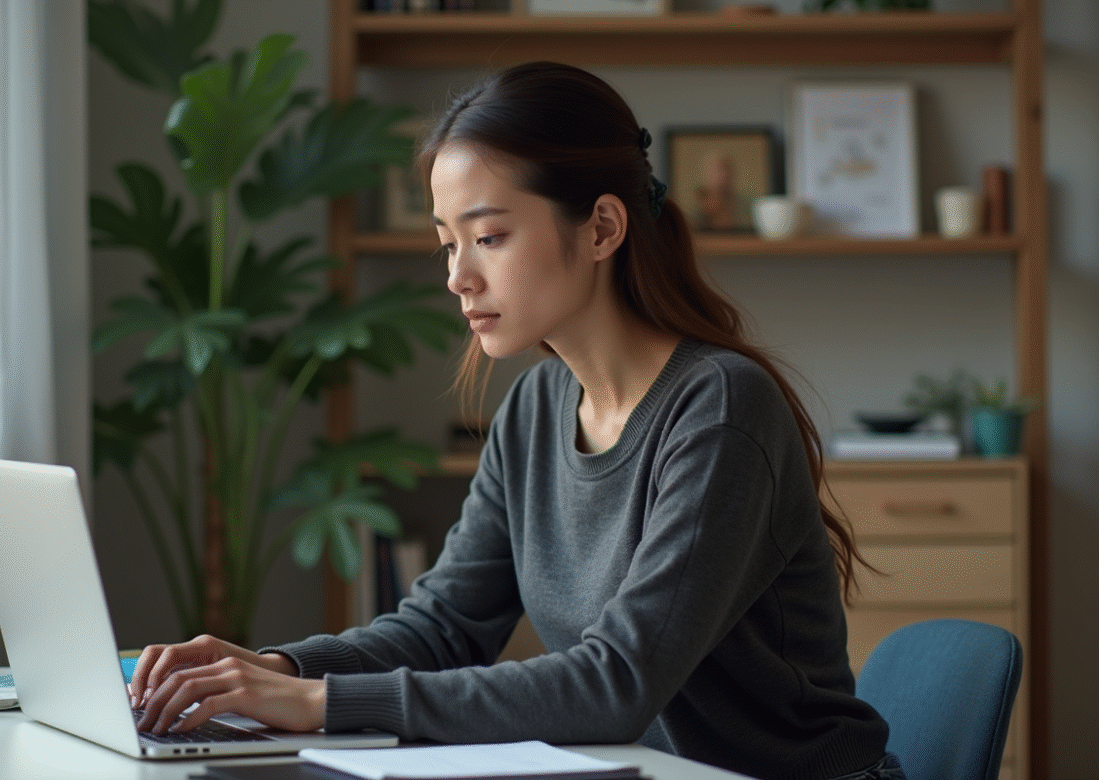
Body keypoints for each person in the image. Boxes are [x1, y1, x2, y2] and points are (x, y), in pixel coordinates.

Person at [130, 61, 900, 780]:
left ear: (601, 227)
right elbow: (444, 628)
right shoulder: (534, 408)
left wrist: (317, 706)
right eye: (447, 244)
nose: (459, 277)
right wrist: (277, 669)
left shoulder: (720, 408)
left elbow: (616, 684)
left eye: (490, 237)